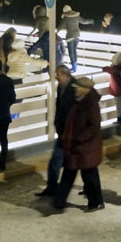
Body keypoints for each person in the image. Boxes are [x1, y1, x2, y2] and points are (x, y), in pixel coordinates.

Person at [54, 77, 105, 212]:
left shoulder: (90, 104)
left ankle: (96, 202)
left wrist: (79, 139)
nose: (75, 89)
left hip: (85, 148)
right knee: (70, 173)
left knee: (89, 176)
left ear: (84, 89)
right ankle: (59, 201)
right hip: (77, 146)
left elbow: (94, 126)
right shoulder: (80, 101)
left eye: (77, 88)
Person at [36, 65, 75, 197]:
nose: (55, 77)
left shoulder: (75, 88)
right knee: (56, 160)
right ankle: (52, 187)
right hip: (63, 131)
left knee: (79, 163)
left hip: (73, 132)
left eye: (57, 74)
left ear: (65, 74)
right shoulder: (61, 87)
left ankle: (89, 189)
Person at [60, 4, 93, 72]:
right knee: (74, 51)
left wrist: (55, 32)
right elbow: (84, 21)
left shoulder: (66, 18)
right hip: (77, 35)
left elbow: (61, 26)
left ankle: (73, 67)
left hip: (70, 36)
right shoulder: (76, 16)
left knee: (71, 52)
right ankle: (75, 66)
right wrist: (91, 21)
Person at [102, 51, 121, 128]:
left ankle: (120, 120)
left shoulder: (114, 69)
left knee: (119, 105)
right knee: (120, 105)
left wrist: (111, 66)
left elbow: (105, 68)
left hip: (117, 90)